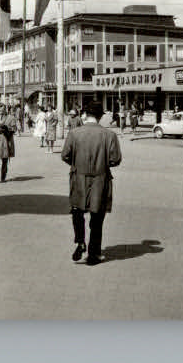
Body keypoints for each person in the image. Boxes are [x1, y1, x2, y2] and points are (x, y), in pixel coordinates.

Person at [61, 101, 122, 266]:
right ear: (100, 116)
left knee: (77, 210)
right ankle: (93, 254)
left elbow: (65, 155)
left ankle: (80, 241)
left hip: (78, 178)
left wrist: (77, 165)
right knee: (97, 216)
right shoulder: (109, 135)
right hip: (100, 179)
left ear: (85, 115)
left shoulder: (74, 134)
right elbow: (115, 160)